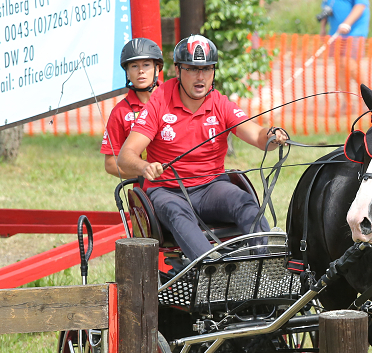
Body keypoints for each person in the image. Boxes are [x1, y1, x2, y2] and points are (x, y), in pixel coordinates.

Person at [117, 35, 288, 263]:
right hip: (168, 190)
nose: (201, 77)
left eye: (207, 69)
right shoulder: (159, 102)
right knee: (178, 214)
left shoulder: (220, 103)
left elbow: (257, 135)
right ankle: (211, 269)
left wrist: (272, 135)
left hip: (211, 187)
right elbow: (125, 157)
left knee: (245, 203)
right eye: (193, 69)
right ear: (178, 71)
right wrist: (144, 166)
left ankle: (265, 265)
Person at [101, 38, 164, 176]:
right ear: (127, 73)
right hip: (146, 188)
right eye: (134, 66)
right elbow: (111, 163)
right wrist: (143, 171)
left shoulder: (174, 98)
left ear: (157, 69)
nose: (141, 71)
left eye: (146, 65)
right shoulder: (120, 112)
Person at [319, 0, 369, 100]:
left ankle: (369, 98)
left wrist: (347, 23)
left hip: (354, 32)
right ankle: (347, 103)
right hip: (335, 33)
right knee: (340, 67)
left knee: (350, 64)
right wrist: (323, 28)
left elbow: (360, 6)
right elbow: (326, 9)